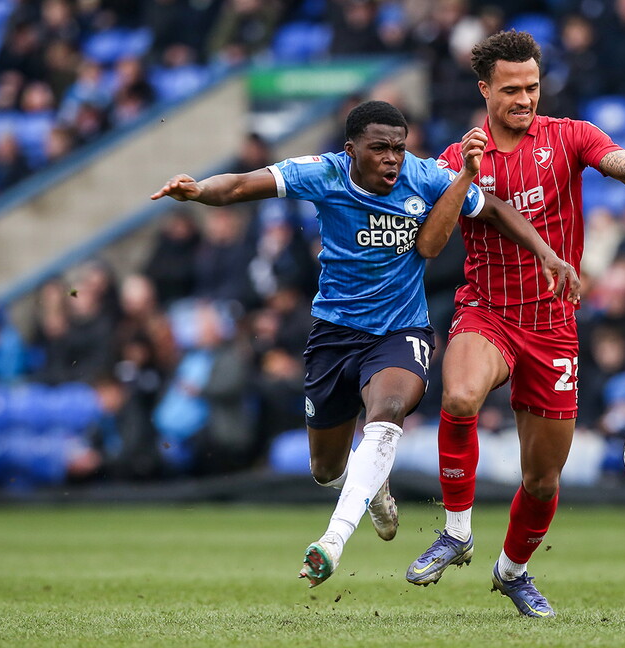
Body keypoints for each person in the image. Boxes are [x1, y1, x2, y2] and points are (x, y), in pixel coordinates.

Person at [150, 100, 578, 588]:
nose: (392, 158)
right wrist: (200, 190)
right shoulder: (324, 174)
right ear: (351, 149)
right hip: (334, 334)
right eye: (380, 149)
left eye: (398, 147)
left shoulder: (425, 176)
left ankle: (330, 542)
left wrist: (546, 252)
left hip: (400, 331)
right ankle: (374, 490)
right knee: (325, 468)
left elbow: (495, 209)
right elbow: (245, 184)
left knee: (389, 409)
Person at [405, 31, 625, 618]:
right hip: (485, 310)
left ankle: (513, 572)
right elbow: (429, 245)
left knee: (541, 480)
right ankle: (457, 531)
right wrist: (463, 176)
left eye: (532, 87)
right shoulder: (458, 156)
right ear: (484, 89)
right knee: (460, 396)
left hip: (553, 327)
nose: (524, 98)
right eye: (511, 89)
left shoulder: (570, 136)